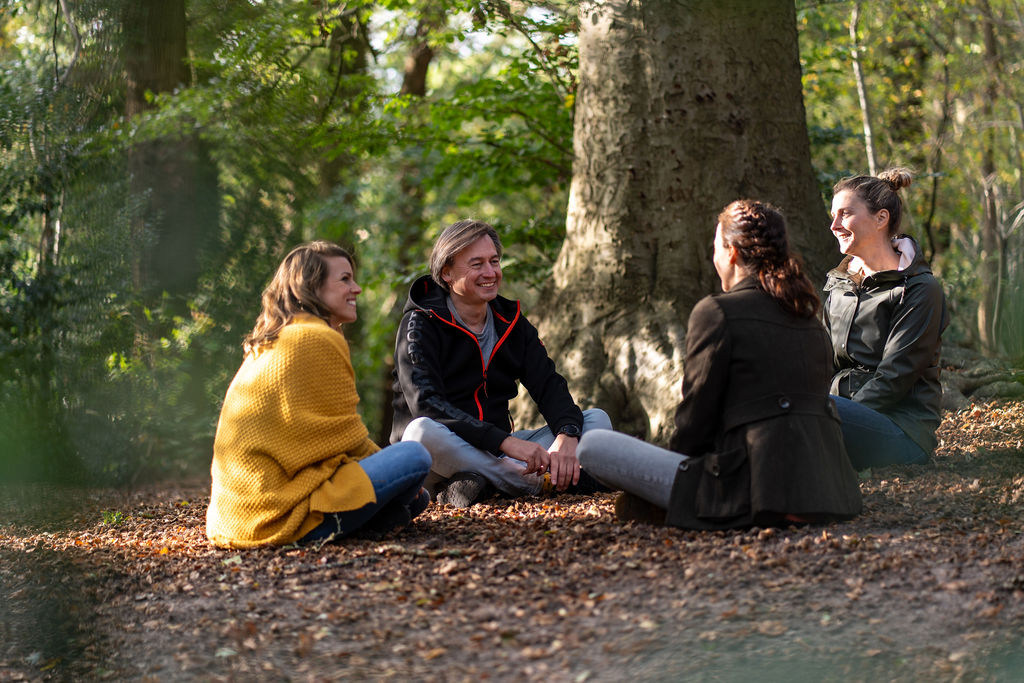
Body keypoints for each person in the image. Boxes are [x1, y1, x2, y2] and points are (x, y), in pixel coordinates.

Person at [578, 200, 862, 529]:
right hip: (829, 491)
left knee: (593, 445)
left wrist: (676, 477)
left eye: (715, 247)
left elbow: (694, 422)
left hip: (752, 489)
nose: (713, 257)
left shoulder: (717, 311)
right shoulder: (808, 316)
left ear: (731, 252)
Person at [206, 241, 431, 548]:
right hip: (280, 512)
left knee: (417, 496)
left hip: (237, 516)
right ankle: (347, 524)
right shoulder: (315, 337)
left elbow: (319, 436)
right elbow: (348, 440)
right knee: (414, 456)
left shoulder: (278, 337)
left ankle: (371, 521)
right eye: (344, 279)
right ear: (311, 287)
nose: (357, 289)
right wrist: (400, 474)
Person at [390, 219, 613, 508]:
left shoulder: (510, 322)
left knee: (596, 421)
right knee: (420, 431)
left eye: (494, 261)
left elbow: (548, 385)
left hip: (494, 456)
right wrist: (505, 443)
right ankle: (533, 483)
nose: (490, 272)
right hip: (437, 456)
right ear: (446, 272)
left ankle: (477, 485)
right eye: (477, 264)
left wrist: (567, 434)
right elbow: (426, 404)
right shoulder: (421, 323)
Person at [824, 168, 949, 470]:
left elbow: (894, 377)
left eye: (844, 214)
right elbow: (821, 361)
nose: (834, 225)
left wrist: (825, 418)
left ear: (881, 218)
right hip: (839, 414)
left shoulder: (919, 289)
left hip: (901, 431)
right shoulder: (838, 285)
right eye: (833, 215)